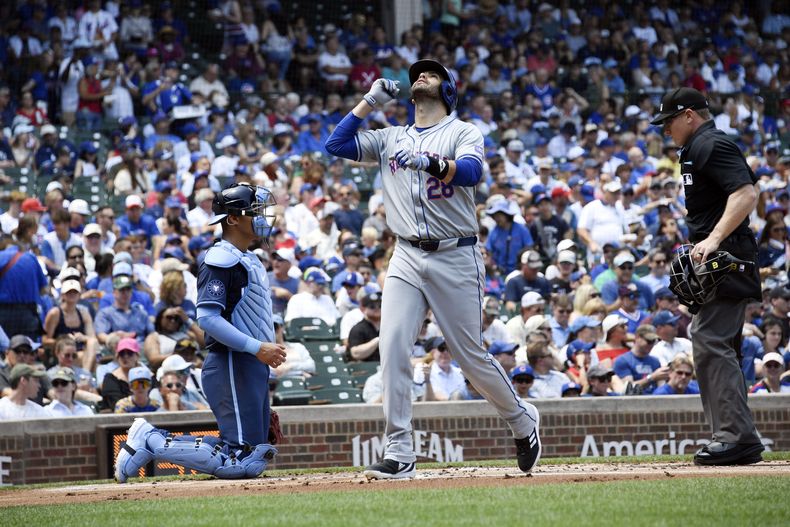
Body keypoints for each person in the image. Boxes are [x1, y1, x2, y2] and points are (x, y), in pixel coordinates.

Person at [325, 60, 541, 479]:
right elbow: (336, 144)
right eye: (417, 74)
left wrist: (429, 162)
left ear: (447, 90)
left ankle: (520, 419)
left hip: (455, 253)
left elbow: (472, 172)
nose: (421, 76)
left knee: (469, 356)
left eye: (432, 74)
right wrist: (369, 102)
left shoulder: (463, 132)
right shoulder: (390, 137)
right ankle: (399, 449)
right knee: (392, 346)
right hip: (406, 254)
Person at [115, 183, 286, 482]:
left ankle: (150, 440)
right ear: (233, 218)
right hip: (231, 361)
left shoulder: (249, 259)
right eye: (254, 212)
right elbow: (207, 318)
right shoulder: (220, 258)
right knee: (240, 460)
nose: (262, 218)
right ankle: (150, 439)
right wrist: (257, 347)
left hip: (250, 364)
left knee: (251, 457)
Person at [652, 87, 763, 465]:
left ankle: (735, 436)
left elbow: (746, 193)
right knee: (721, 342)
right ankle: (738, 435)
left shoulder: (710, 143)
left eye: (669, 121)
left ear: (689, 115)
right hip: (722, 256)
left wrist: (713, 239)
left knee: (708, 338)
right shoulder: (697, 146)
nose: (665, 129)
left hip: (727, 255)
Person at [614, 324, 669, 395]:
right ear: (637, 338)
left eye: (654, 341)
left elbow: (661, 387)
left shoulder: (655, 361)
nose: (651, 345)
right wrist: (651, 377)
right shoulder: (623, 360)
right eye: (649, 341)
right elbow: (628, 389)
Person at [346, 290, 382, 362]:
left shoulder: (386, 328)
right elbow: (355, 353)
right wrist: (377, 341)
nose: (377, 309)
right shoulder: (358, 329)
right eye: (372, 306)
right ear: (363, 309)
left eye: (380, 306)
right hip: (366, 367)